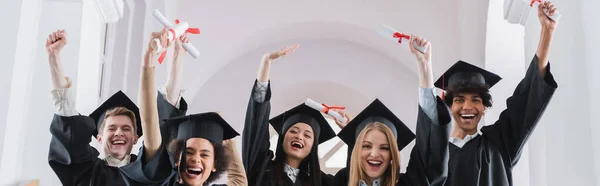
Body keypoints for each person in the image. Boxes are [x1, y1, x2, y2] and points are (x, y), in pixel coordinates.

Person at [435, 2, 559, 186]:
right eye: (460, 100)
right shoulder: (436, 158)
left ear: (484, 107)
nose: (467, 106)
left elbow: (527, 97)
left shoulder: (500, 142)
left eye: (475, 100)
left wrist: (547, 31)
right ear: (450, 105)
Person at [46, 29, 188, 185]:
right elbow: (68, 125)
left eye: (126, 129)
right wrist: (54, 57)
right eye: (111, 128)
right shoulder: (88, 174)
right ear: (99, 138)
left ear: (135, 139)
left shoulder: (147, 175)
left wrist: (177, 57)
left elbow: (164, 129)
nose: (119, 133)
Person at [119, 29, 247, 186]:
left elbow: (240, 182)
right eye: (189, 152)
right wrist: (149, 58)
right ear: (178, 159)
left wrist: (226, 141)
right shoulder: (164, 181)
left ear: (215, 165)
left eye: (205, 155)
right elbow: (150, 123)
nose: (195, 159)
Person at [333, 35, 452, 186]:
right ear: (356, 150)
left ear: (392, 155)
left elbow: (430, 151)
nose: (375, 154)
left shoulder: (408, 184)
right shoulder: (338, 183)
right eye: (366, 146)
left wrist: (424, 66)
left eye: (384, 148)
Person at [242, 45, 337, 186]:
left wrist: (353, 131)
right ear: (282, 138)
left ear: (313, 146)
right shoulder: (261, 169)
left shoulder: (322, 182)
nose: (299, 136)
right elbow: (256, 128)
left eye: (307, 135)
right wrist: (266, 62)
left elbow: (357, 174)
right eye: (293, 131)